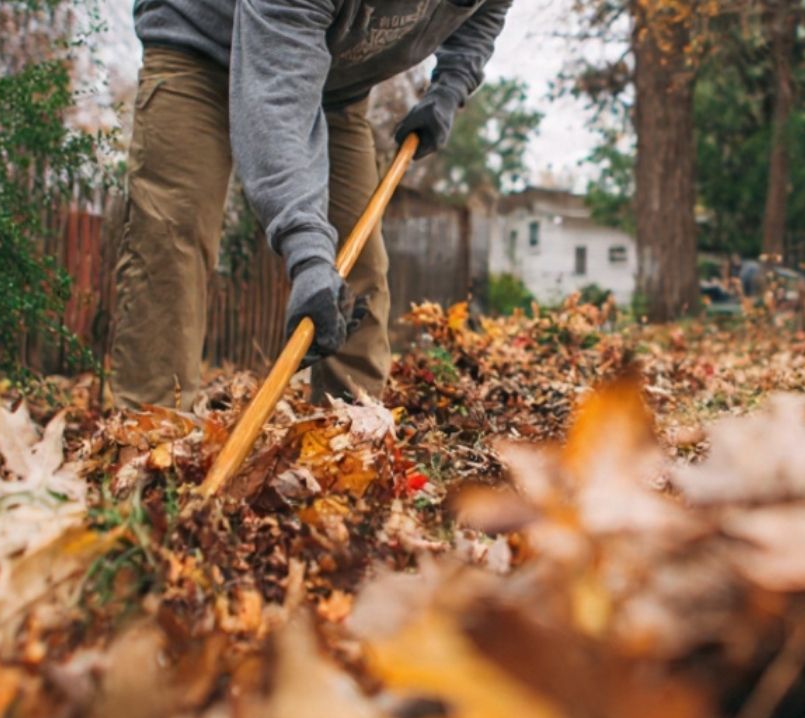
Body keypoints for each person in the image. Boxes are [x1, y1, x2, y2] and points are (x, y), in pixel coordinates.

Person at [112, 0, 512, 410]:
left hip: (336, 86)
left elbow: (486, 10)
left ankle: (350, 435)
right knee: (172, 233)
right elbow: (278, 99)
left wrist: (451, 85)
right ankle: (150, 432)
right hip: (203, 45)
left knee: (358, 266)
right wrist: (306, 254)